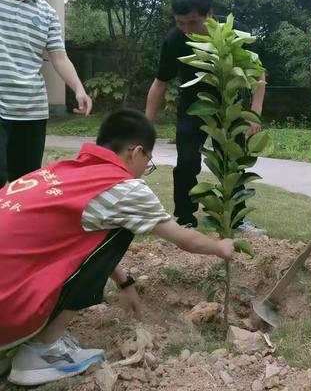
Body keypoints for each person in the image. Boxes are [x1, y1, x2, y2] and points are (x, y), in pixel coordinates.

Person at [0, 108, 234, 387]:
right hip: (8, 310)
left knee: (108, 228)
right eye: (148, 161)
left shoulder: (63, 172)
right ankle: (41, 354)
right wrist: (221, 247)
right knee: (122, 229)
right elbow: (183, 238)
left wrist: (124, 281)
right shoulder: (124, 188)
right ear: (135, 152)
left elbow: (76, 240)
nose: (145, 171)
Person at [146, 0, 266, 233]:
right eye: (180, 23)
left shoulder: (235, 32)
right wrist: (146, 127)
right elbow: (160, 83)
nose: (186, 30)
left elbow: (259, 75)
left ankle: (237, 221)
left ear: (209, 13)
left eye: (193, 23)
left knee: (233, 162)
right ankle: (185, 220)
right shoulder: (174, 40)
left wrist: (255, 112)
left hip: (230, 106)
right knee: (187, 162)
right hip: (193, 106)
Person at [0, 0, 92, 189]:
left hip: (32, 111)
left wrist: (78, 89)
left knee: (23, 187)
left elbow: (59, 57)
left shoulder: (46, 12)